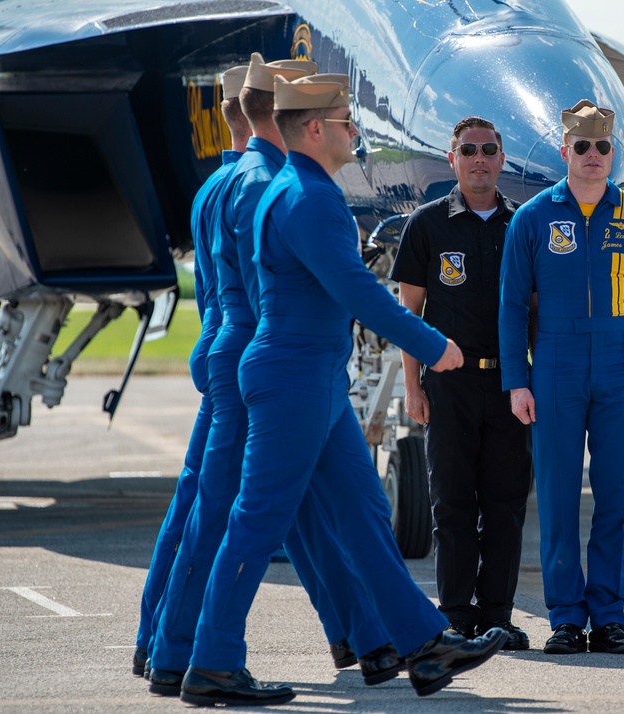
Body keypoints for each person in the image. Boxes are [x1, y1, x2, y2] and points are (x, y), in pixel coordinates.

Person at [179, 73, 507, 707]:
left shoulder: (303, 189)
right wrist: (433, 345)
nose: (356, 131)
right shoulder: (308, 198)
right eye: (347, 120)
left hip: (314, 377)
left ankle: (424, 645)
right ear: (315, 128)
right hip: (294, 377)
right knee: (256, 522)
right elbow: (355, 290)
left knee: (362, 516)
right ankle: (214, 662)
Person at [147, 55, 401, 696]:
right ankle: (186, 653)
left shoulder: (221, 184)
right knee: (244, 513)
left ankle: (363, 637)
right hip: (272, 359)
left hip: (235, 351)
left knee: (278, 511)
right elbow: (284, 292)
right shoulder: (269, 183)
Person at [498, 99, 624, 655]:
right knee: (556, 495)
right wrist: (516, 380)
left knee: (617, 496)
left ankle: (609, 615)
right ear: (564, 151)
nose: (592, 156)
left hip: (622, 363)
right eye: (581, 147)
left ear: (612, 152)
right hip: (554, 362)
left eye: (601, 147)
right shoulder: (533, 218)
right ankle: (567, 618)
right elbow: (510, 307)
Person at [390, 117, 532, 649]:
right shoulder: (427, 225)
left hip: (509, 385)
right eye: (468, 150)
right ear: (452, 159)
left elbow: (535, 312)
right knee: (451, 502)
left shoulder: (522, 225)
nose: (479, 159)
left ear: (501, 159)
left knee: (505, 501)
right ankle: (454, 615)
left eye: (488, 150)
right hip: (447, 385)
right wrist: (414, 386)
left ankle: (498, 612)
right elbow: (410, 315)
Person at [131, 63, 250, 677]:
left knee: (191, 503)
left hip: (217, 345)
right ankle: (174, 648)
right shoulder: (252, 188)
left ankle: (154, 636)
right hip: (248, 358)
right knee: (211, 513)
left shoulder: (212, 188)